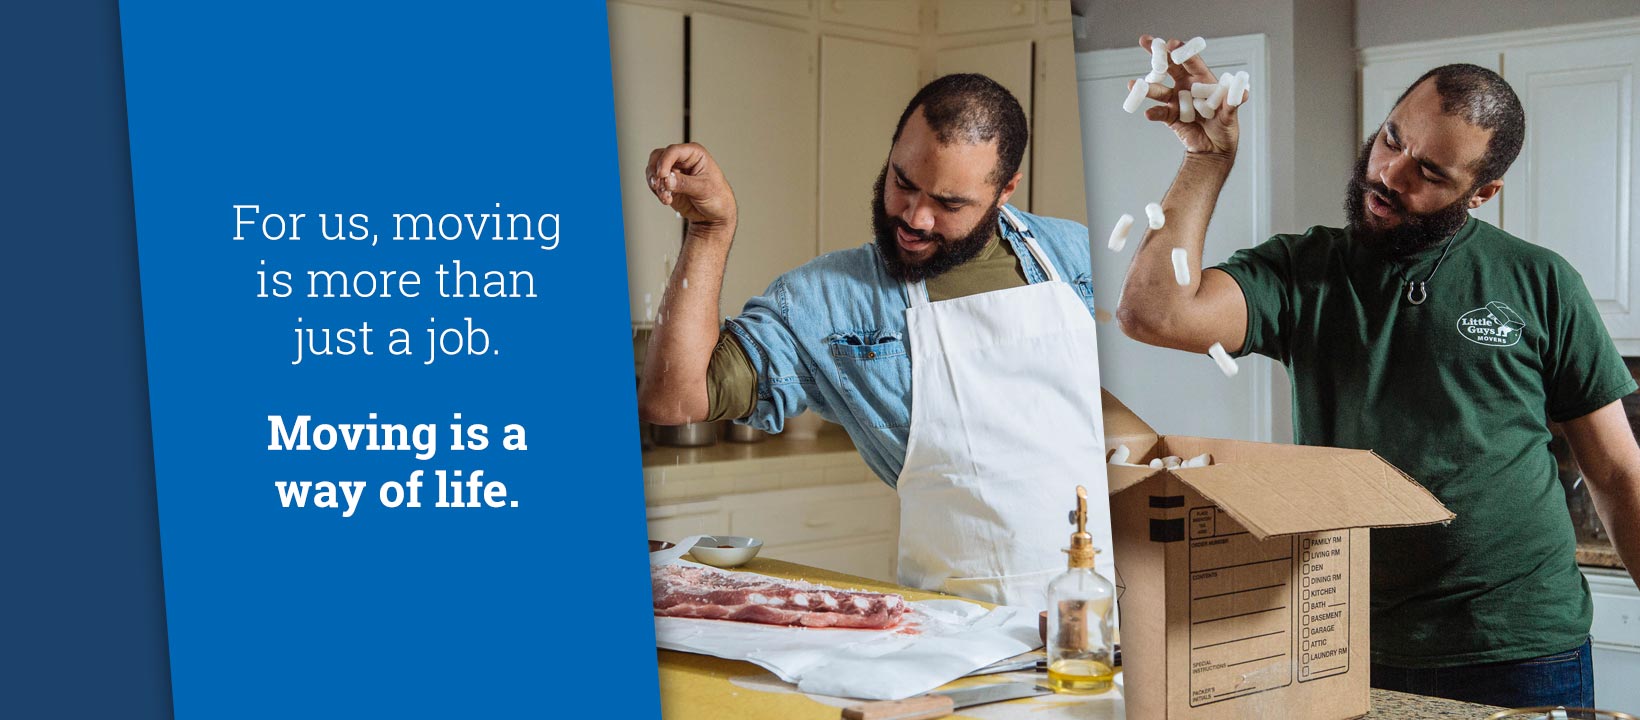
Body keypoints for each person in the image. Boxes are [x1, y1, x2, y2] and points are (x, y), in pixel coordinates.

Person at [1116, 36, 1640, 708]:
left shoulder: (1541, 282)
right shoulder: (1305, 271)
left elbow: (1619, 472)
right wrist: (1208, 157)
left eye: (1430, 172)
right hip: (1347, 641)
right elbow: (1153, 311)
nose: (1390, 173)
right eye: (1390, 138)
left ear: (1482, 193)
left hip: (1521, 644)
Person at [636, 74, 1112, 609]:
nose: (914, 218)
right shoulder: (831, 300)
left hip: (1108, 617)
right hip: (957, 627)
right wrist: (708, 230)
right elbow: (673, 399)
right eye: (902, 182)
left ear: (1004, 190)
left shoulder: (1078, 257)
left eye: (949, 204)